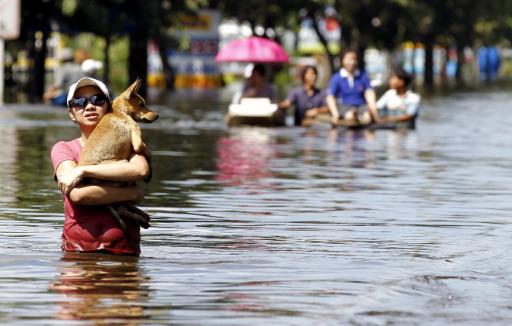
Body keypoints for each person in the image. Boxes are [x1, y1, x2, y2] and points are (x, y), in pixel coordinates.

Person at [50, 77, 150, 256]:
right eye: (79, 102)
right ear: (71, 113)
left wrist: (83, 170)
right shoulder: (64, 148)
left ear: (109, 106)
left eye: (97, 100)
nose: (89, 106)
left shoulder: (129, 146)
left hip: (124, 253)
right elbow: (77, 194)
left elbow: (141, 170)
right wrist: (133, 194)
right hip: (78, 256)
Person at [326, 49, 379, 127]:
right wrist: (335, 113)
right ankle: (354, 115)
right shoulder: (336, 78)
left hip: (361, 106)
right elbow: (330, 96)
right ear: (343, 60)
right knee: (349, 116)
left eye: (354, 59)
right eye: (349, 59)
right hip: (344, 106)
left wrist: (373, 109)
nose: (352, 62)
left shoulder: (363, 76)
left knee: (367, 116)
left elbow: (369, 93)